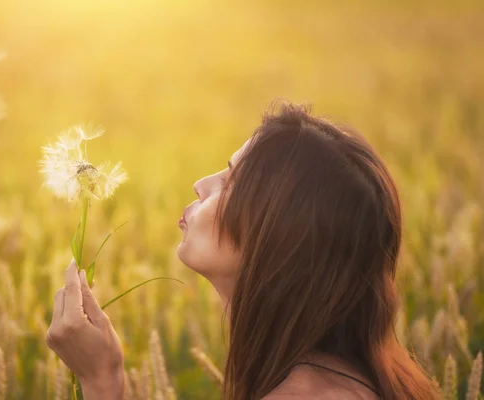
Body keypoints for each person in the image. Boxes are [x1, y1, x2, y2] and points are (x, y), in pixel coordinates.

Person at [45, 102, 442, 399]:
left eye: (232, 181)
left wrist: (102, 381)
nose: (201, 183)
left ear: (280, 233)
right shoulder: (340, 377)